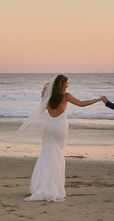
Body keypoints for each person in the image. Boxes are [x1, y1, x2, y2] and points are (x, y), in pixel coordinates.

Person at [17, 74, 105, 202]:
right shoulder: (66, 96)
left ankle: (40, 185)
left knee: (46, 154)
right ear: (62, 84)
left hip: (47, 126)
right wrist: (97, 100)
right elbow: (81, 104)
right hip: (59, 127)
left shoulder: (48, 96)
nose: (68, 85)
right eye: (67, 83)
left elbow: (41, 111)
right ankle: (54, 187)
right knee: (58, 154)